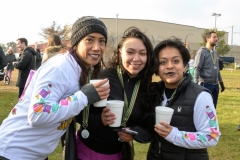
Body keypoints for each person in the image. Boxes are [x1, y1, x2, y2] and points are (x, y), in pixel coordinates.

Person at [0, 16, 110, 160]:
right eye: (89, 39)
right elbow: (38, 113)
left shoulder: (80, 69)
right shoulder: (60, 67)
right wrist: (83, 96)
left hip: (34, 154)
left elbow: (65, 108)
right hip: (13, 152)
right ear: (76, 42)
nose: (97, 47)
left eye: (102, 41)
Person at [74, 26, 158, 160]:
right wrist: (100, 119)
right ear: (120, 53)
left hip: (119, 153)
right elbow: (77, 113)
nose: (136, 59)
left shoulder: (148, 87)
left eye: (142, 53)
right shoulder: (102, 77)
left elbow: (149, 124)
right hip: (88, 150)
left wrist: (134, 132)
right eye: (130, 52)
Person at [147, 38, 221, 160]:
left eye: (176, 61)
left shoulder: (201, 96)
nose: (170, 66)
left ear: (184, 64)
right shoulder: (153, 92)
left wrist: (174, 135)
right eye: (163, 62)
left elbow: (212, 136)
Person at [194, 31, 225, 108]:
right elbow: (197, 69)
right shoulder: (202, 52)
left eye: (217, 37)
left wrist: (221, 82)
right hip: (205, 84)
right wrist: (195, 84)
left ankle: (212, 121)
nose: (216, 39)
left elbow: (217, 69)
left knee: (213, 108)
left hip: (215, 85)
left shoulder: (215, 53)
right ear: (207, 39)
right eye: (214, 37)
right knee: (205, 108)